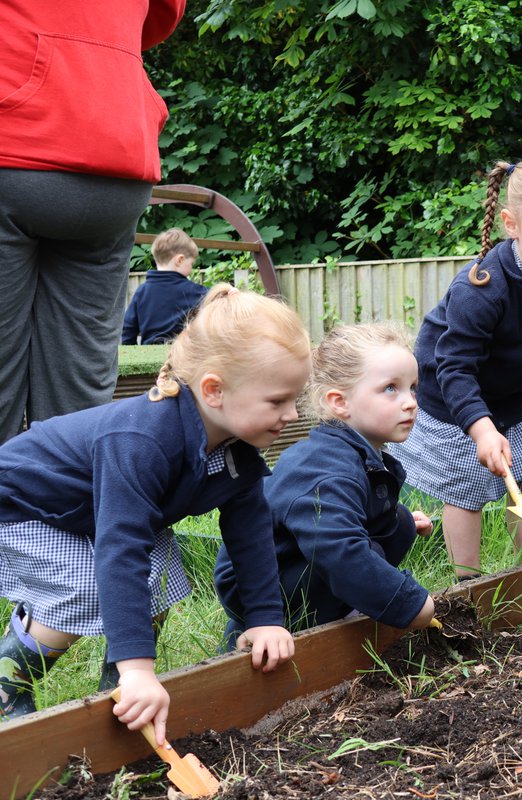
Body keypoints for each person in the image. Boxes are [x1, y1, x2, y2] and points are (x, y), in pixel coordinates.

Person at [0, 285, 309, 746]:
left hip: (92, 511)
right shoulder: (143, 440)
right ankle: (10, 684)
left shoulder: (236, 448)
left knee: (160, 577)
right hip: (27, 506)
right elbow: (121, 549)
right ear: (214, 390)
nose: (294, 413)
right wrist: (141, 668)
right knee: (85, 582)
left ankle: (118, 694)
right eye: (278, 401)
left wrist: (265, 618)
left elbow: (250, 534)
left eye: (295, 398)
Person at [390, 156, 522, 580]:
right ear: (512, 224)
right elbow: (454, 368)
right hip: (454, 403)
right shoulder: (482, 289)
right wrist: (481, 428)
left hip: (506, 400)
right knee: (467, 487)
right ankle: (466, 583)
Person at [0, 0, 187, 444]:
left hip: (16, 132)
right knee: (78, 386)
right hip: (115, 143)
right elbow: (164, 12)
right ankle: (70, 509)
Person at [214, 323, 436, 644]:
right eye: (391, 388)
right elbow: (337, 547)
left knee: (398, 523)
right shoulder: (325, 467)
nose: (411, 401)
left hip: (295, 561)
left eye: (412, 387)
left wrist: (397, 519)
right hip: (258, 587)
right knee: (363, 550)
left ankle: (344, 607)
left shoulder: (354, 450)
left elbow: (349, 507)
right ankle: (297, 628)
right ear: (340, 402)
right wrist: (409, 603)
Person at [122, 228, 209, 345]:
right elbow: (216, 295)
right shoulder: (192, 291)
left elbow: (128, 328)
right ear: (180, 260)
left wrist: (132, 356)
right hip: (182, 355)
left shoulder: (142, 291)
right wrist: (229, 290)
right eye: (191, 263)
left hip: (149, 354)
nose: (191, 269)